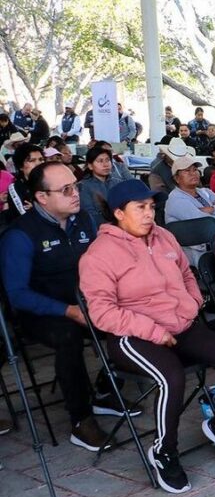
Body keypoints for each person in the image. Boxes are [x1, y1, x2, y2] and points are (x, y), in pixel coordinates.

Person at [79, 179, 215, 493]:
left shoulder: (164, 237)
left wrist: (193, 303)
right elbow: (102, 313)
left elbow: (187, 274)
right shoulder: (99, 254)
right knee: (171, 376)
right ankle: (164, 451)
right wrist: (154, 332)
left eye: (152, 207)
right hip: (131, 335)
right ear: (118, 213)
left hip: (179, 324)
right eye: (140, 208)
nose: (149, 214)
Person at [0, 161, 129, 451]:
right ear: (41, 197)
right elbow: (17, 294)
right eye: (65, 189)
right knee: (68, 337)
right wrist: (68, 311)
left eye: (76, 186)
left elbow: (102, 262)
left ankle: (106, 390)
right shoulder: (20, 235)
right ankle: (81, 419)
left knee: (130, 315)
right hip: (41, 311)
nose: (75, 194)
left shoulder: (82, 219)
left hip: (85, 299)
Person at [78, 145, 121, 227]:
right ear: (90, 166)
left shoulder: (118, 182)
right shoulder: (83, 186)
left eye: (107, 160)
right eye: (100, 161)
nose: (105, 165)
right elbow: (90, 215)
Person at [5, 144, 44, 221]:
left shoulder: (49, 181)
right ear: (20, 166)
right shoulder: (15, 187)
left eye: (41, 159)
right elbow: (25, 215)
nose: (38, 163)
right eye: (32, 160)